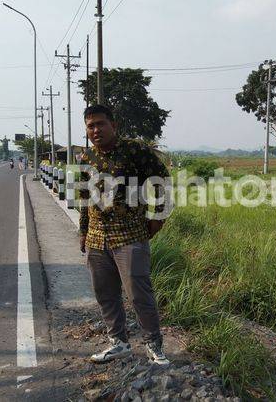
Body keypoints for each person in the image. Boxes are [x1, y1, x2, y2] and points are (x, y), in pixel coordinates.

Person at [78, 104, 170, 365]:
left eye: (100, 124)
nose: (95, 130)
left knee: (139, 292)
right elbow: (84, 196)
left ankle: (154, 345)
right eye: (90, 125)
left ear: (113, 125)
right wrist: (83, 231)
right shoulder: (86, 158)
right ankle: (118, 342)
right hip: (97, 238)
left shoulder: (135, 151)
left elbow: (163, 180)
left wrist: (158, 215)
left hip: (129, 235)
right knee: (105, 293)